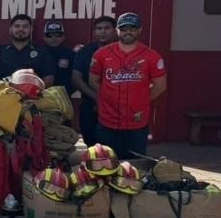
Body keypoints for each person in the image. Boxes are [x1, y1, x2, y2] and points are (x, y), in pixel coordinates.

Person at [89, 12, 167, 160]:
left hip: (136, 121)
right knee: (105, 163)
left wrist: (141, 99)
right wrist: (107, 97)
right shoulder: (101, 54)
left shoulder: (151, 56)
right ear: (117, 30)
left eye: (132, 28)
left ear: (140, 30)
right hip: (107, 120)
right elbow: (93, 81)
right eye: (124, 29)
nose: (128, 32)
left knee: (135, 164)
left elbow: (160, 86)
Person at [72, 16, 116, 144]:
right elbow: (76, 78)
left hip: (116, 105)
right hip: (89, 103)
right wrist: (96, 97)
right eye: (99, 28)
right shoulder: (85, 52)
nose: (103, 32)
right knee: (92, 145)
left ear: (115, 31)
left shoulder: (124, 51)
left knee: (115, 145)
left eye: (107, 28)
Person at [0, 13, 54, 86]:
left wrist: (34, 92)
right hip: (4, 95)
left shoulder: (42, 52)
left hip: (33, 96)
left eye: (25, 26)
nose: (21, 29)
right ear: (10, 29)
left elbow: (49, 78)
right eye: (17, 26)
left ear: (31, 29)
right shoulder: (0, 51)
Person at [42, 20, 74, 90]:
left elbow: (75, 78)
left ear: (63, 37)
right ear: (44, 38)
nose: (54, 38)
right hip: (42, 95)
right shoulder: (39, 54)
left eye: (58, 35)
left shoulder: (71, 54)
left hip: (64, 95)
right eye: (49, 35)